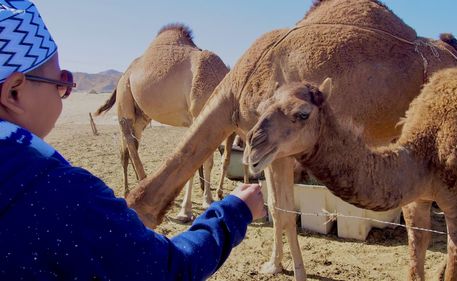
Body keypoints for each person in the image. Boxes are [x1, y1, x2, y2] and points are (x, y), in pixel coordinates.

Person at [0, 1, 266, 280]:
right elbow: (166, 270)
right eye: (61, 80)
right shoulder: (60, 195)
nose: (65, 88)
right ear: (15, 92)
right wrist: (235, 213)